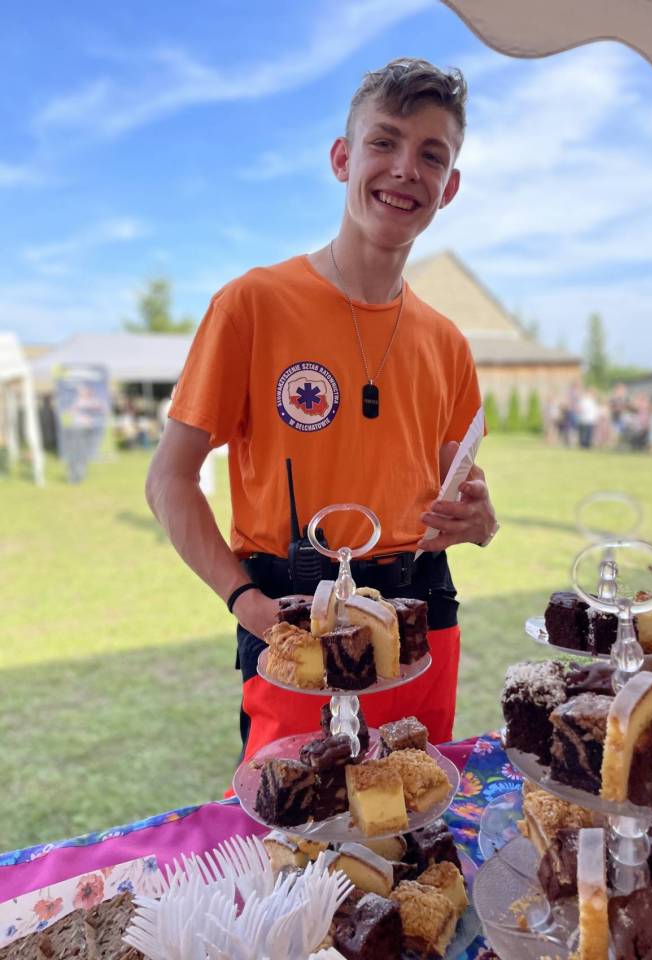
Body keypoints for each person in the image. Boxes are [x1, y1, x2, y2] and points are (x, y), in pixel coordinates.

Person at [146, 58, 498, 761]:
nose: (406, 169)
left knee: (412, 806)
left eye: (431, 155)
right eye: (384, 142)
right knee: (299, 810)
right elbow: (169, 480)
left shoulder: (447, 343)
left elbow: (451, 494)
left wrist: (480, 522)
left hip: (421, 617)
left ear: (449, 187)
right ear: (342, 158)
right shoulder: (253, 305)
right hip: (297, 617)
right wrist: (244, 600)